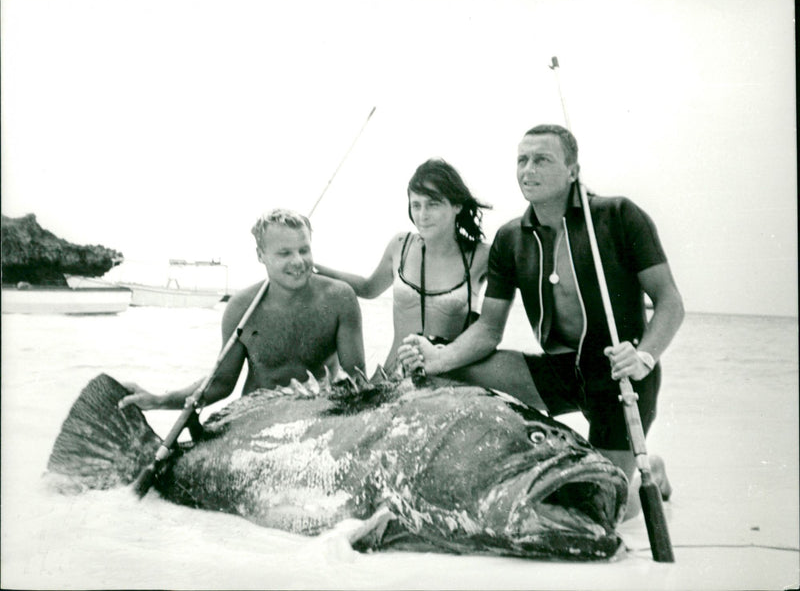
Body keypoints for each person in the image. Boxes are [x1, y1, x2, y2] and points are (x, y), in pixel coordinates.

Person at [398, 125, 684, 519]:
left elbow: (670, 302)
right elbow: (488, 329)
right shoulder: (512, 237)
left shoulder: (618, 215)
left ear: (572, 170)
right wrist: (439, 359)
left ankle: (645, 477)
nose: (528, 169)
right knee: (457, 370)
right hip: (558, 372)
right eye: (522, 160)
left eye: (542, 159)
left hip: (620, 377)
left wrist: (644, 357)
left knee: (596, 510)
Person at [119, 208, 366, 412]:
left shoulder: (339, 298)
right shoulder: (241, 308)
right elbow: (222, 384)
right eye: (284, 253)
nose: (298, 261)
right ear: (261, 255)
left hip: (316, 416)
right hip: (253, 418)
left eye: (304, 250)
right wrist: (159, 400)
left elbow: (357, 380)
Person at [314, 158, 491, 372]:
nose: (422, 215)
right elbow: (368, 288)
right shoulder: (401, 245)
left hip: (449, 375)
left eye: (433, 204)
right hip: (393, 373)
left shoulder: (481, 256)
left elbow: (493, 325)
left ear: (457, 205)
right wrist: (316, 270)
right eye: (416, 205)